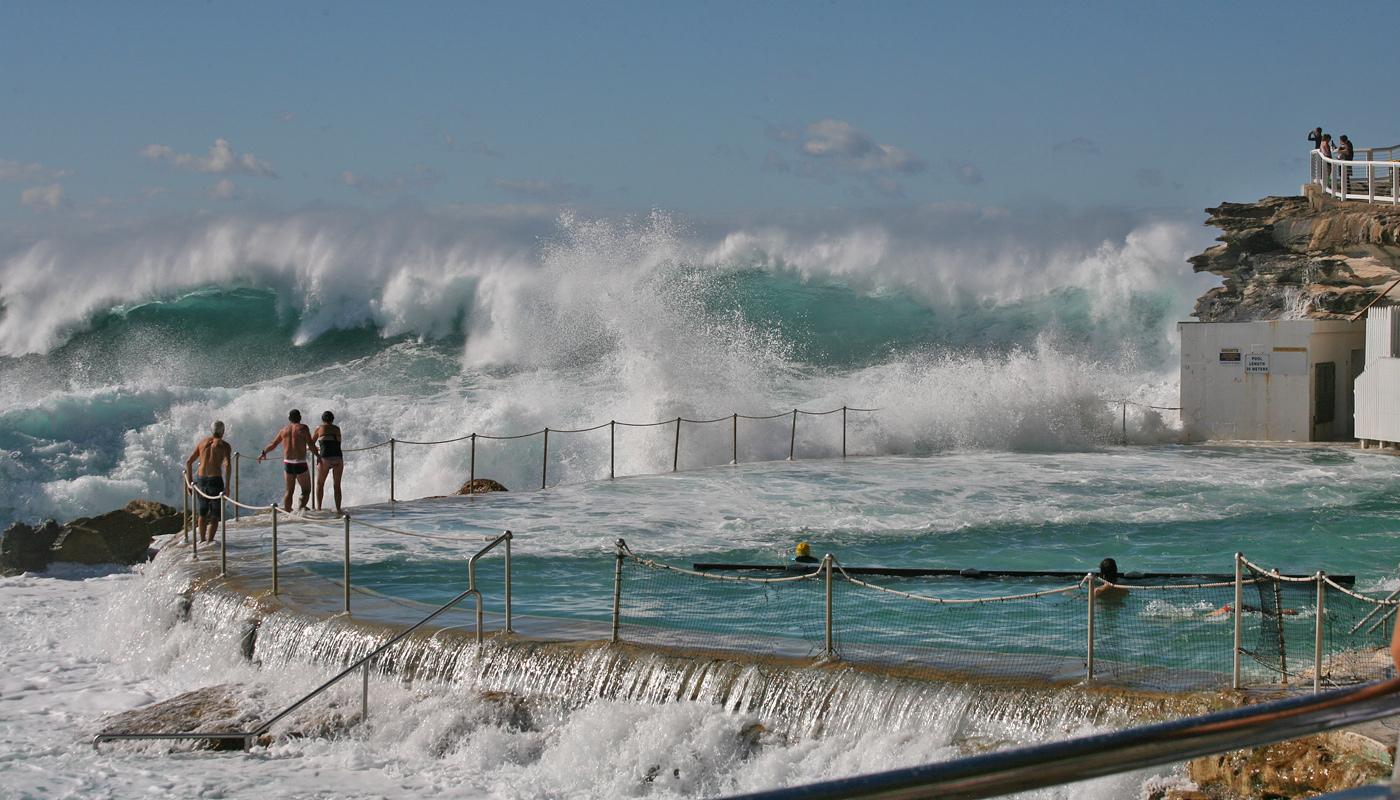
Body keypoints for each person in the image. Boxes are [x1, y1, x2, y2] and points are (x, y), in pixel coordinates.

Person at [185, 421, 233, 544]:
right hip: (215, 480)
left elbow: (189, 461)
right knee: (215, 515)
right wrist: (227, 485)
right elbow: (227, 464)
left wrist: (189, 482)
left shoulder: (202, 443)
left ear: (211, 431)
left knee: (202, 512)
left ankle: (201, 540)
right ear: (223, 431)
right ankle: (209, 541)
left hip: (201, 479)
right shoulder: (224, 445)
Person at [259, 409, 314, 512]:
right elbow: (310, 444)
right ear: (300, 418)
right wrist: (318, 456)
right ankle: (301, 508)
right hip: (300, 463)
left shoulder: (283, 430)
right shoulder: (303, 428)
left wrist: (264, 453)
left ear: (289, 419)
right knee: (306, 490)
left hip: (288, 463)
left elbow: (273, 444)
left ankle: (287, 512)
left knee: (289, 491)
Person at [312, 410, 345, 514]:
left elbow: (311, 443)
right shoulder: (337, 429)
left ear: (323, 420)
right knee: (337, 485)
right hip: (338, 458)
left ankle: (319, 508)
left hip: (325, 458)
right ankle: (338, 508)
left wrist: (317, 449)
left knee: (320, 484)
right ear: (332, 419)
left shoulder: (319, 428)